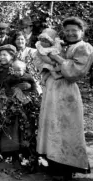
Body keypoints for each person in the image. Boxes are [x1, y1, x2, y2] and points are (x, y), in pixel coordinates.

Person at [37, 17, 93, 180]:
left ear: (82, 31)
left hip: (67, 92)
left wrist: (57, 58)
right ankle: (53, 166)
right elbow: (41, 60)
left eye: (74, 30)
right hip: (52, 90)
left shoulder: (84, 47)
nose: (70, 33)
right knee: (52, 127)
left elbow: (74, 72)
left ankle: (68, 168)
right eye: (67, 30)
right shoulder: (60, 44)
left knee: (66, 129)